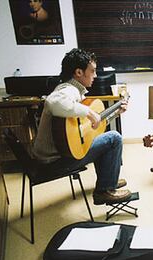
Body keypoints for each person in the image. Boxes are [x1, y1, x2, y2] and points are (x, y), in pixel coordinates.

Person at [33, 48, 132, 205]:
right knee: (114, 138)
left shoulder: (76, 92)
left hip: (59, 155)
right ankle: (104, 190)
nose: (95, 76)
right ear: (79, 72)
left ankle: (108, 181)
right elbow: (52, 102)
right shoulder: (67, 90)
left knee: (103, 138)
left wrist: (115, 113)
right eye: (92, 71)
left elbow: (91, 128)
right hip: (54, 162)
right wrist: (89, 112)